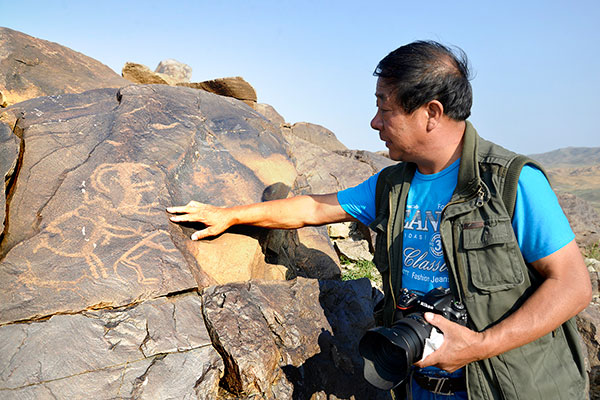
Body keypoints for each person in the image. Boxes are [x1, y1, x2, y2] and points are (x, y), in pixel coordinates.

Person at [167, 41, 591, 399]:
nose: (374, 122)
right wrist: (231, 215)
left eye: (383, 108)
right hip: (417, 382)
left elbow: (572, 285)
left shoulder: (509, 182)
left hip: (506, 386)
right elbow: (313, 209)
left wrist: (479, 345)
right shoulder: (392, 185)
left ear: (431, 112)